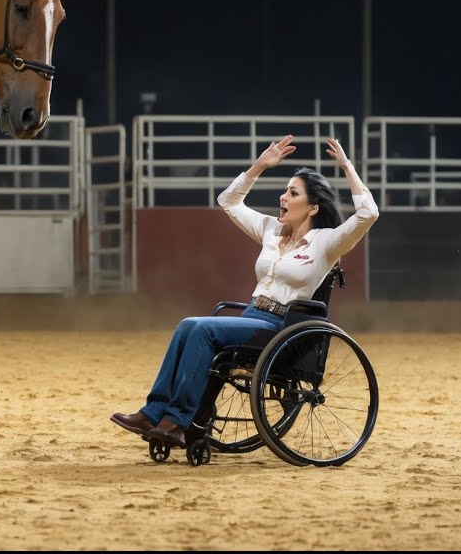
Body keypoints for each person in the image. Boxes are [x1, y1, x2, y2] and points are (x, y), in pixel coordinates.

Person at [110, 135, 380, 447]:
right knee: (188, 325)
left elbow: (368, 214)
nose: (283, 197)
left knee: (201, 329)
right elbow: (228, 201)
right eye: (284, 191)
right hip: (254, 316)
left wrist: (347, 166)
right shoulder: (270, 230)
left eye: (292, 193)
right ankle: (155, 412)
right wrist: (259, 167)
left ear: (312, 207)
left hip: (281, 329)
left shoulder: (327, 242)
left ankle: (178, 421)